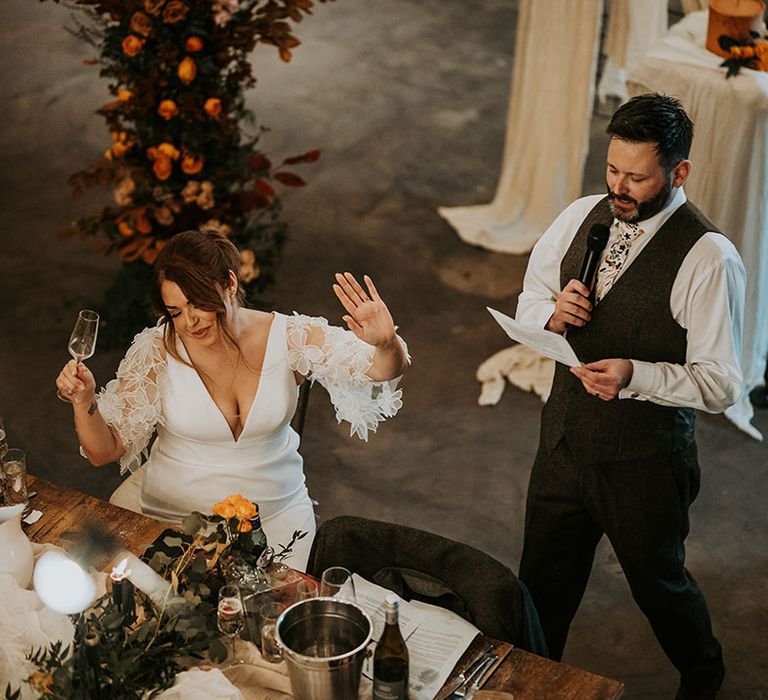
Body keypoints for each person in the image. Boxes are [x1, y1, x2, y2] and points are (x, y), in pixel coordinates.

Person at [514, 93, 745, 699]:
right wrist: (552, 315)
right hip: (563, 440)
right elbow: (530, 299)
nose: (619, 187)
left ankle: (703, 673)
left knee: (658, 584)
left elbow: (721, 383)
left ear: (679, 172)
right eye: (613, 170)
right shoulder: (581, 214)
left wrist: (636, 375)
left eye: (637, 177)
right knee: (540, 584)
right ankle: (535, 684)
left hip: (643, 462)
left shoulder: (708, 258)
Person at [55, 228, 409, 570]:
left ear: (229, 283)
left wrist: (386, 342)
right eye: (175, 312)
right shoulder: (158, 350)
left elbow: (382, 369)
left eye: (198, 303)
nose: (189, 321)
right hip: (174, 520)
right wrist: (84, 400)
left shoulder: (287, 337)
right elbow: (104, 450)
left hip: (277, 518)